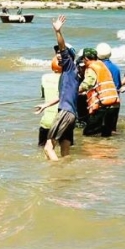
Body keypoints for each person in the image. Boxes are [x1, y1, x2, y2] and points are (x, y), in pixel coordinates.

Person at [39, 16, 79, 160]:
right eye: (57, 53)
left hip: (65, 113)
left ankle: (56, 176)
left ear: (69, 56)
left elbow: (63, 47)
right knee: (65, 151)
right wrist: (46, 105)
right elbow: (62, 96)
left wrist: (58, 31)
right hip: (71, 114)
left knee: (48, 148)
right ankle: (67, 177)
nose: (58, 56)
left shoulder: (69, 67)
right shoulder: (70, 73)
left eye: (61, 53)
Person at [92, 42, 122, 136]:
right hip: (114, 103)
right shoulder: (116, 68)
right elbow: (118, 86)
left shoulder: (96, 67)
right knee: (111, 131)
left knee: (97, 132)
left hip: (101, 103)